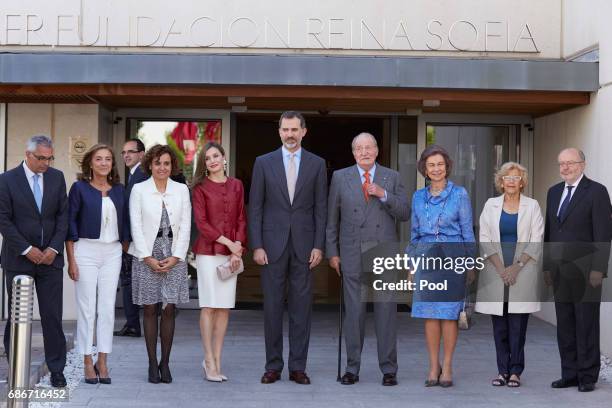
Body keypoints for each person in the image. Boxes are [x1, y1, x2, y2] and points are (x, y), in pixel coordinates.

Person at [248, 111, 327, 385]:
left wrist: (319, 245)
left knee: (301, 309)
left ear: (304, 131)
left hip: (305, 248)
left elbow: (321, 209)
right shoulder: (263, 163)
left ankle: (297, 367)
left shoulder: (317, 164)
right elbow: (255, 208)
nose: (290, 134)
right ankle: (273, 366)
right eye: (285, 130)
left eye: (295, 129)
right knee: (271, 308)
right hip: (271, 247)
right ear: (279, 132)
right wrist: (256, 245)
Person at [326, 133, 409, 386]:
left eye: (369, 147)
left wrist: (384, 194)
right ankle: (352, 368)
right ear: (353, 153)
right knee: (354, 314)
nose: (364, 152)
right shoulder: (340, 177)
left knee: (386, 314)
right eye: (359, 148)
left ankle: (389, 369)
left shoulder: (391, 177)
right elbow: (332, 219)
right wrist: (332, 252)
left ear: (376, 150)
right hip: (351, 252)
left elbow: (405, 212)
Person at [0, 135, 68, 388]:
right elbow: (3, 220)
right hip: (19, 260)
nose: (46, 163)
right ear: (27, 154)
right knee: (17, 318)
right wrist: (27, 249)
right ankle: (15, 367)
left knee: (53, 316)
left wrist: (53, 248)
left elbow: (64, 216)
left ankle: (57, 369)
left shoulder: (57, 177)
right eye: (41, 158)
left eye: (49, 158)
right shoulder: (6, 180)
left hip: (51, 260)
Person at [407, 144, 475, 388]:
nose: (436, 169)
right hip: (426, 259)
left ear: (447, 168)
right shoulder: (417, 197)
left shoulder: (460, 194)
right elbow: (414, 234)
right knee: (430, 315)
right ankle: (433, 365)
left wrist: (471, 262)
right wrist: (411, 264)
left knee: (448, 315)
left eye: (440, 165)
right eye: (431, 165)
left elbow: (468, 231)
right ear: (424, 169)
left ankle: (447, 366)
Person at [544, 148, 612, 392]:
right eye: (561, 163)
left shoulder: (596, 192)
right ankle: (569, 373)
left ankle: (587, 376)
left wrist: (598, 269)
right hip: (561, 272)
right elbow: (550, 233)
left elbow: (604, 233)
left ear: (582, 164)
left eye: (570, 163)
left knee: (586, 324)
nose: (565, 168)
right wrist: (548, 267)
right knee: (566, 325)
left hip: (587, 272)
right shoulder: (553, 193)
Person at [475, 162, 544, 388]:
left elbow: (536, 239)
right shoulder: (491, 205)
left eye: (516, 177)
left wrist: (515, 267)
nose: (511, 181)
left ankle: (516, 371)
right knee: (500, 327)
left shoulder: (532, 206)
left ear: (522, 181)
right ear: (501, 181)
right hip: (496, 272)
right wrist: (501, 268)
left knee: (518, 326)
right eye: (507, 177)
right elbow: (484, 236)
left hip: (521, 272)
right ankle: (502, 371)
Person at [128, 144, 192, 384]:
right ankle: (152, 364)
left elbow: (186, 225)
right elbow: (135, 225)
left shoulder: (181, 190)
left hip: (174, 253)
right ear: (150, 165)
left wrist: (176, 256)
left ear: (172, 165)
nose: (162, 167)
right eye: (157, 163)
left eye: (166, 163)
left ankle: (165, 364)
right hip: (147, 253)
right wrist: (147, 257)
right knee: (149, 308)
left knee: (168, 310)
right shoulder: (139, 190)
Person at [66, 144, 127, 385]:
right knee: (87, 308)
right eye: (98, 159)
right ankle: (87, 361)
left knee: (107, 307)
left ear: (113, 164)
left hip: (112, 251)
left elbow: (127, 222)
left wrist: (122, 246)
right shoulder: (79, 188)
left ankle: (103, 359)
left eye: (108, 159)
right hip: (85, 251)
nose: (104, 163)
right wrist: (71, 259)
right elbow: (69, 224)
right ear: (90, 163)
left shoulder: (120, 190)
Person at [192, 142, 247, 382]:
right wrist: (229, 243)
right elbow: (202, 224)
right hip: (207, 253)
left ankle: (217, 359)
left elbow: (242, 219)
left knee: (224, 308)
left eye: (216, 156)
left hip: (231, 254)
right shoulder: (199, 188)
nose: (213, 160)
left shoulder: (237, 185)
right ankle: (208, 359)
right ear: (204, 164)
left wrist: (237, 250)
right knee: (209, 306)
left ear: (224, 158)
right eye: (207, 158)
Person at [115, 138, 147, 338]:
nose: (126, 155)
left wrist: (126, 240)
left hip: (135, 240)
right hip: (133, 239)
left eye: (131, 152)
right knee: (130, 281)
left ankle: (133, 324)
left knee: (128, 281)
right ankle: (132, 323)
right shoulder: (134, 175)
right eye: (124, 152)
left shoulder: (141, 175)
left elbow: (135, 212)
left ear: (141, 154)